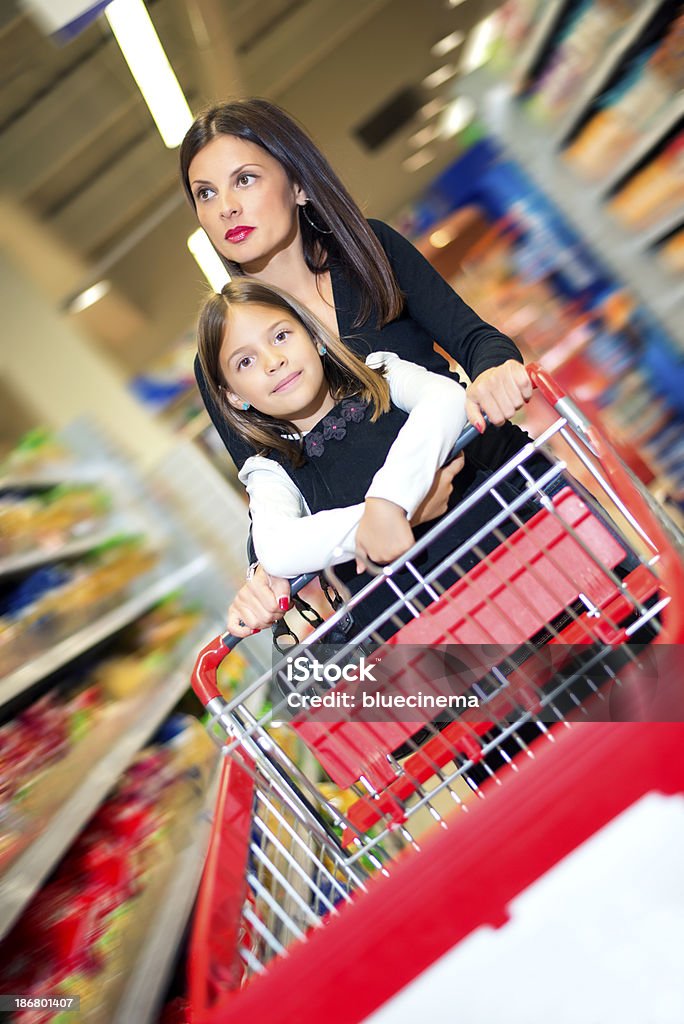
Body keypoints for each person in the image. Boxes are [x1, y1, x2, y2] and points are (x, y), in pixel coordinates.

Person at [180, 98, 533, 633]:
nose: (226, 206)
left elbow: (477, 340)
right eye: (206, 193)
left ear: (298, 185)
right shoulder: (223, 361)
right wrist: (264, 571)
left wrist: (493, 373)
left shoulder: (370, 252)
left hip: (495, 502)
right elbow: (269, 486)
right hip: (400, 588)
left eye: (245, 180)